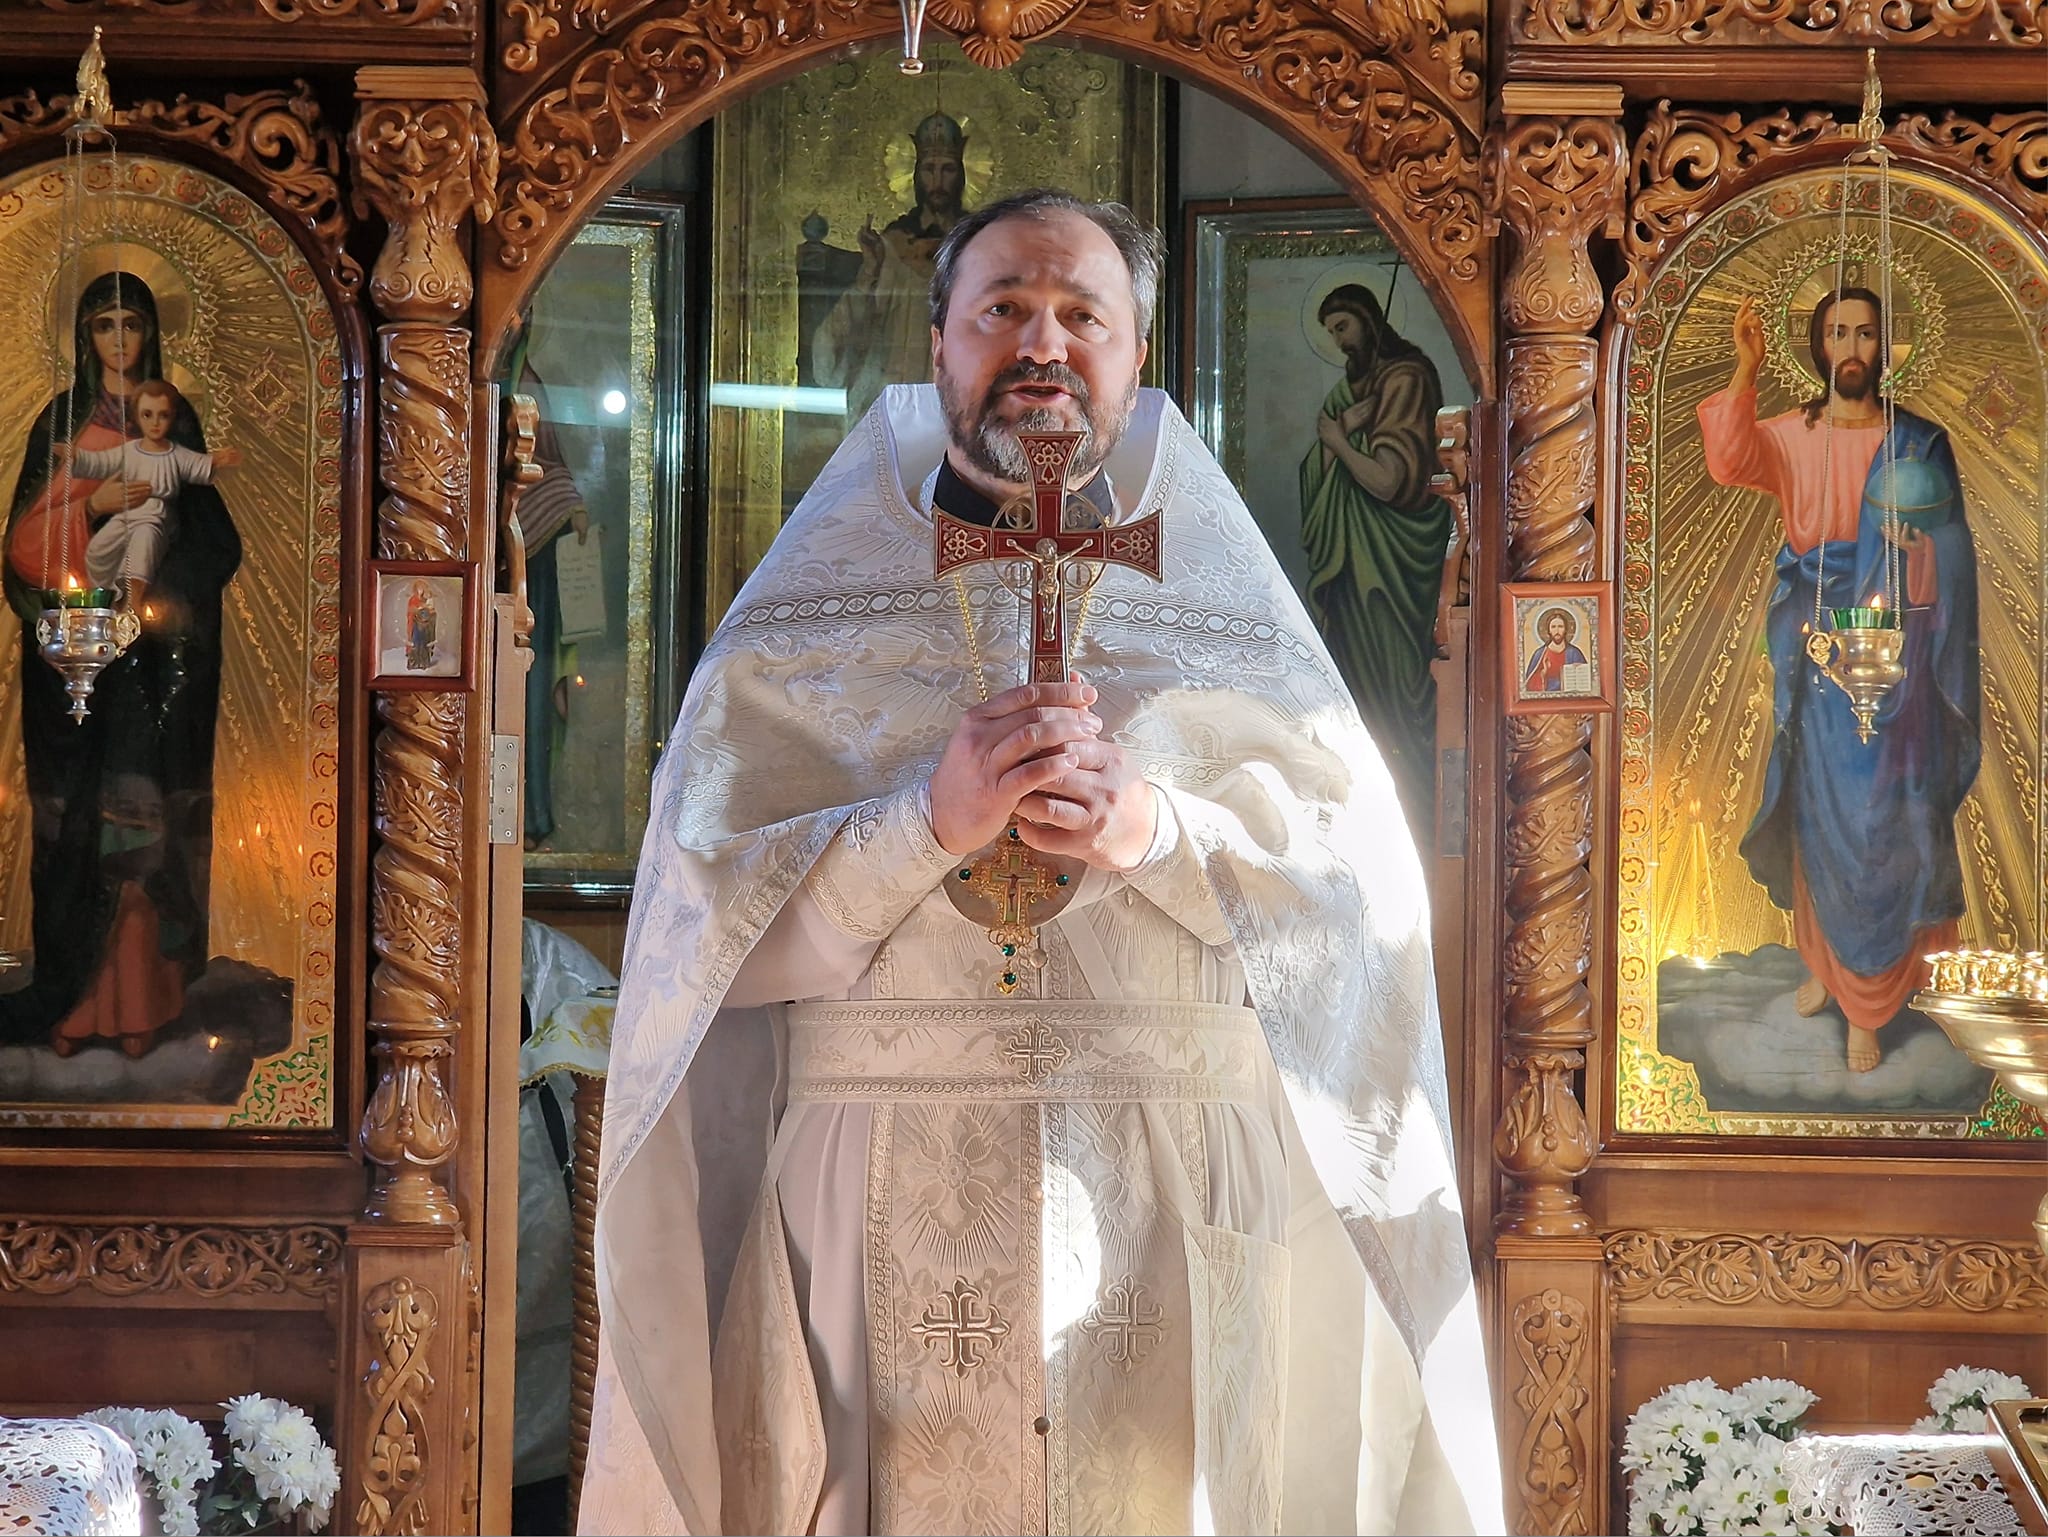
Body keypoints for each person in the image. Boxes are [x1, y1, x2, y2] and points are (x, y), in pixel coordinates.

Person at [579, 190, 1501, 1536]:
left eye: (1083, 314)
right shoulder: (801, 629)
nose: (1042, 345)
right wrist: (923, 825)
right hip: (872, 1185)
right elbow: (695, 946)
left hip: (1169, 1192)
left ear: (1137, 356)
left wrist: (1154, 833)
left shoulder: (1232, 622)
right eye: (1003, 307)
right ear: (940, 342)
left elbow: (1355, 925)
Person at [1698, 289, 1979, 1073]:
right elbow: (1729, 459)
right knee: (1822, 812)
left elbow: (1954, 545)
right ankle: (1829, 965)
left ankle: (1874, 999)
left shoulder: (1919, 442)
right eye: (1837, 333)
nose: (1851, 347)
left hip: (1903, 648)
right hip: (1820, 647)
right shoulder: (1794, 434)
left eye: (1864, 333)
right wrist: (1746, 367)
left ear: (1887, 346)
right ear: (1819, 347)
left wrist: (1919, 548)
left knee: (1890, 817)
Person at [1, 271, 242, 1057]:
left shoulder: (174, 419)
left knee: (141, 825)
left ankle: (143, 1006)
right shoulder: (62, 421)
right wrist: (91, 508)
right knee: (75, 829)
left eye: (130, 324)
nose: (118, 340)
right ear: (83, 336)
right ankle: (75, 1002)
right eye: (103, 325)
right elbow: (24, 549)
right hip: (77, 664)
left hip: (152, 670)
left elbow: (216, 542)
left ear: (150, 333)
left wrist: (159, 603)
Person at [1298, 282, 1451, 832]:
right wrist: (1339, 436)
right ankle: (1365, 824)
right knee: (1359, 702)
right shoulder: (1351, 390)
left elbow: (1390, 482)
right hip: (1351, 570)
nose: (1339, 341)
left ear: (1368, 318)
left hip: (1392, 570)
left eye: (1343, 326)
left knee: (1398, 698)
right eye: (1330, 332)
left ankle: (1421, 821)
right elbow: (1316, 476)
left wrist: (1339, 441)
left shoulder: (1405, 379)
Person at [815, 112, 972, 425]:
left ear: (961, 174)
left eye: (947, 170)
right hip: (897, 394)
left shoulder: (977, 243)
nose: (937, 182)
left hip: (959, 395)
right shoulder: (892, 243)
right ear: (915, 175)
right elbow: (858, 325)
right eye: (929, 170)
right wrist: (870, 270)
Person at [56, 378, 242, 611]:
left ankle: (133, 604)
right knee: (97, 550)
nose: (155, 423)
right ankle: (109, 600)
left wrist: (218, 459)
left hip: (156, 516)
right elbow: (101, 462)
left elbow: (199, 465)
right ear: (136, 416)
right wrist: (75, 456)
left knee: (142, 548)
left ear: (172, 418)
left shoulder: (176, 454)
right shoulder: (130, 451)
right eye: (147, 415)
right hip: (127, 514)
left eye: (163, 416)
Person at [1523, 606, 1588, 693]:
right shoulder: (1540, 654)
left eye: (1560, 626)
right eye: (1553, 627)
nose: (1557, 631)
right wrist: (1543, 673)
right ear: (1549, 630)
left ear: (1565, 630)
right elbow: (1529, 685)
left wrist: (1579, 670)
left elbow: (1585, 681)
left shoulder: (1574, 653)